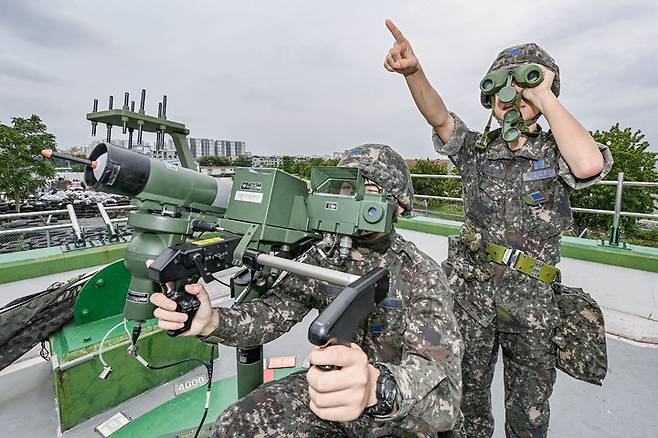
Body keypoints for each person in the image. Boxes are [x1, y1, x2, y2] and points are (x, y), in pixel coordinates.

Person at [383, 20, 612, 438]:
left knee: (529, 415)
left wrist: (541, 93)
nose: (512, 98)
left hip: (534, 307)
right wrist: (414, 72)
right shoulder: (477, 152)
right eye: (503, 90)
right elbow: (440, 118)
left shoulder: (556, 150)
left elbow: (588, 164)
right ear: (490, 98)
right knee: (467, 409)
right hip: (472, 301)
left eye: (522, 87)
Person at [150, 144, 464, 437]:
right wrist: (213, 322)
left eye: (369, 191)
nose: (352, 200)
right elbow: (274, 312)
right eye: (347, 188)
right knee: (235, 425)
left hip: (395, 411)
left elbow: (441, 387)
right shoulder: (321, 256)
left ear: (398, 206)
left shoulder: (421, 274)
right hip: (325, 393)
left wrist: (376, 388)